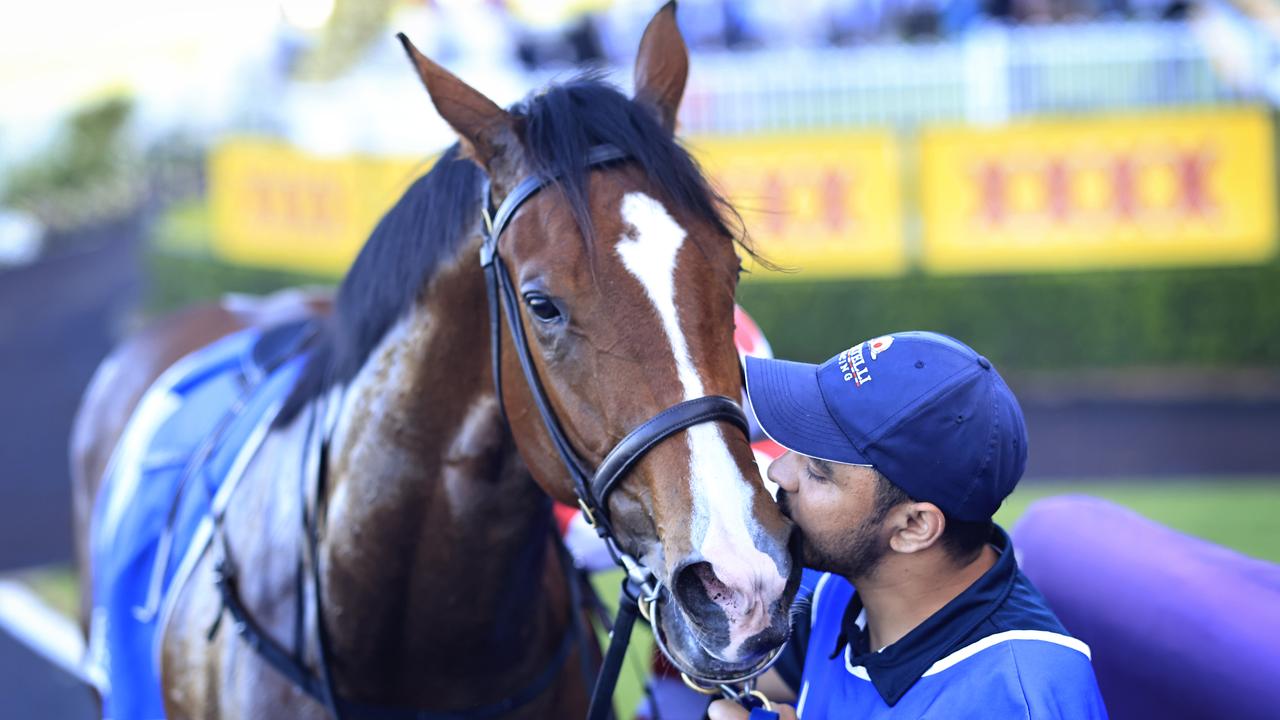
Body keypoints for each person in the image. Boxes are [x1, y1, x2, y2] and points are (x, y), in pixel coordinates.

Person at [710, 331, 1107, 719]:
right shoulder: (842, 591)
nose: (778, 471)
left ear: (914, 526)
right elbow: (740, 677)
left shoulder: (1021, 697)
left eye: (817, 470)